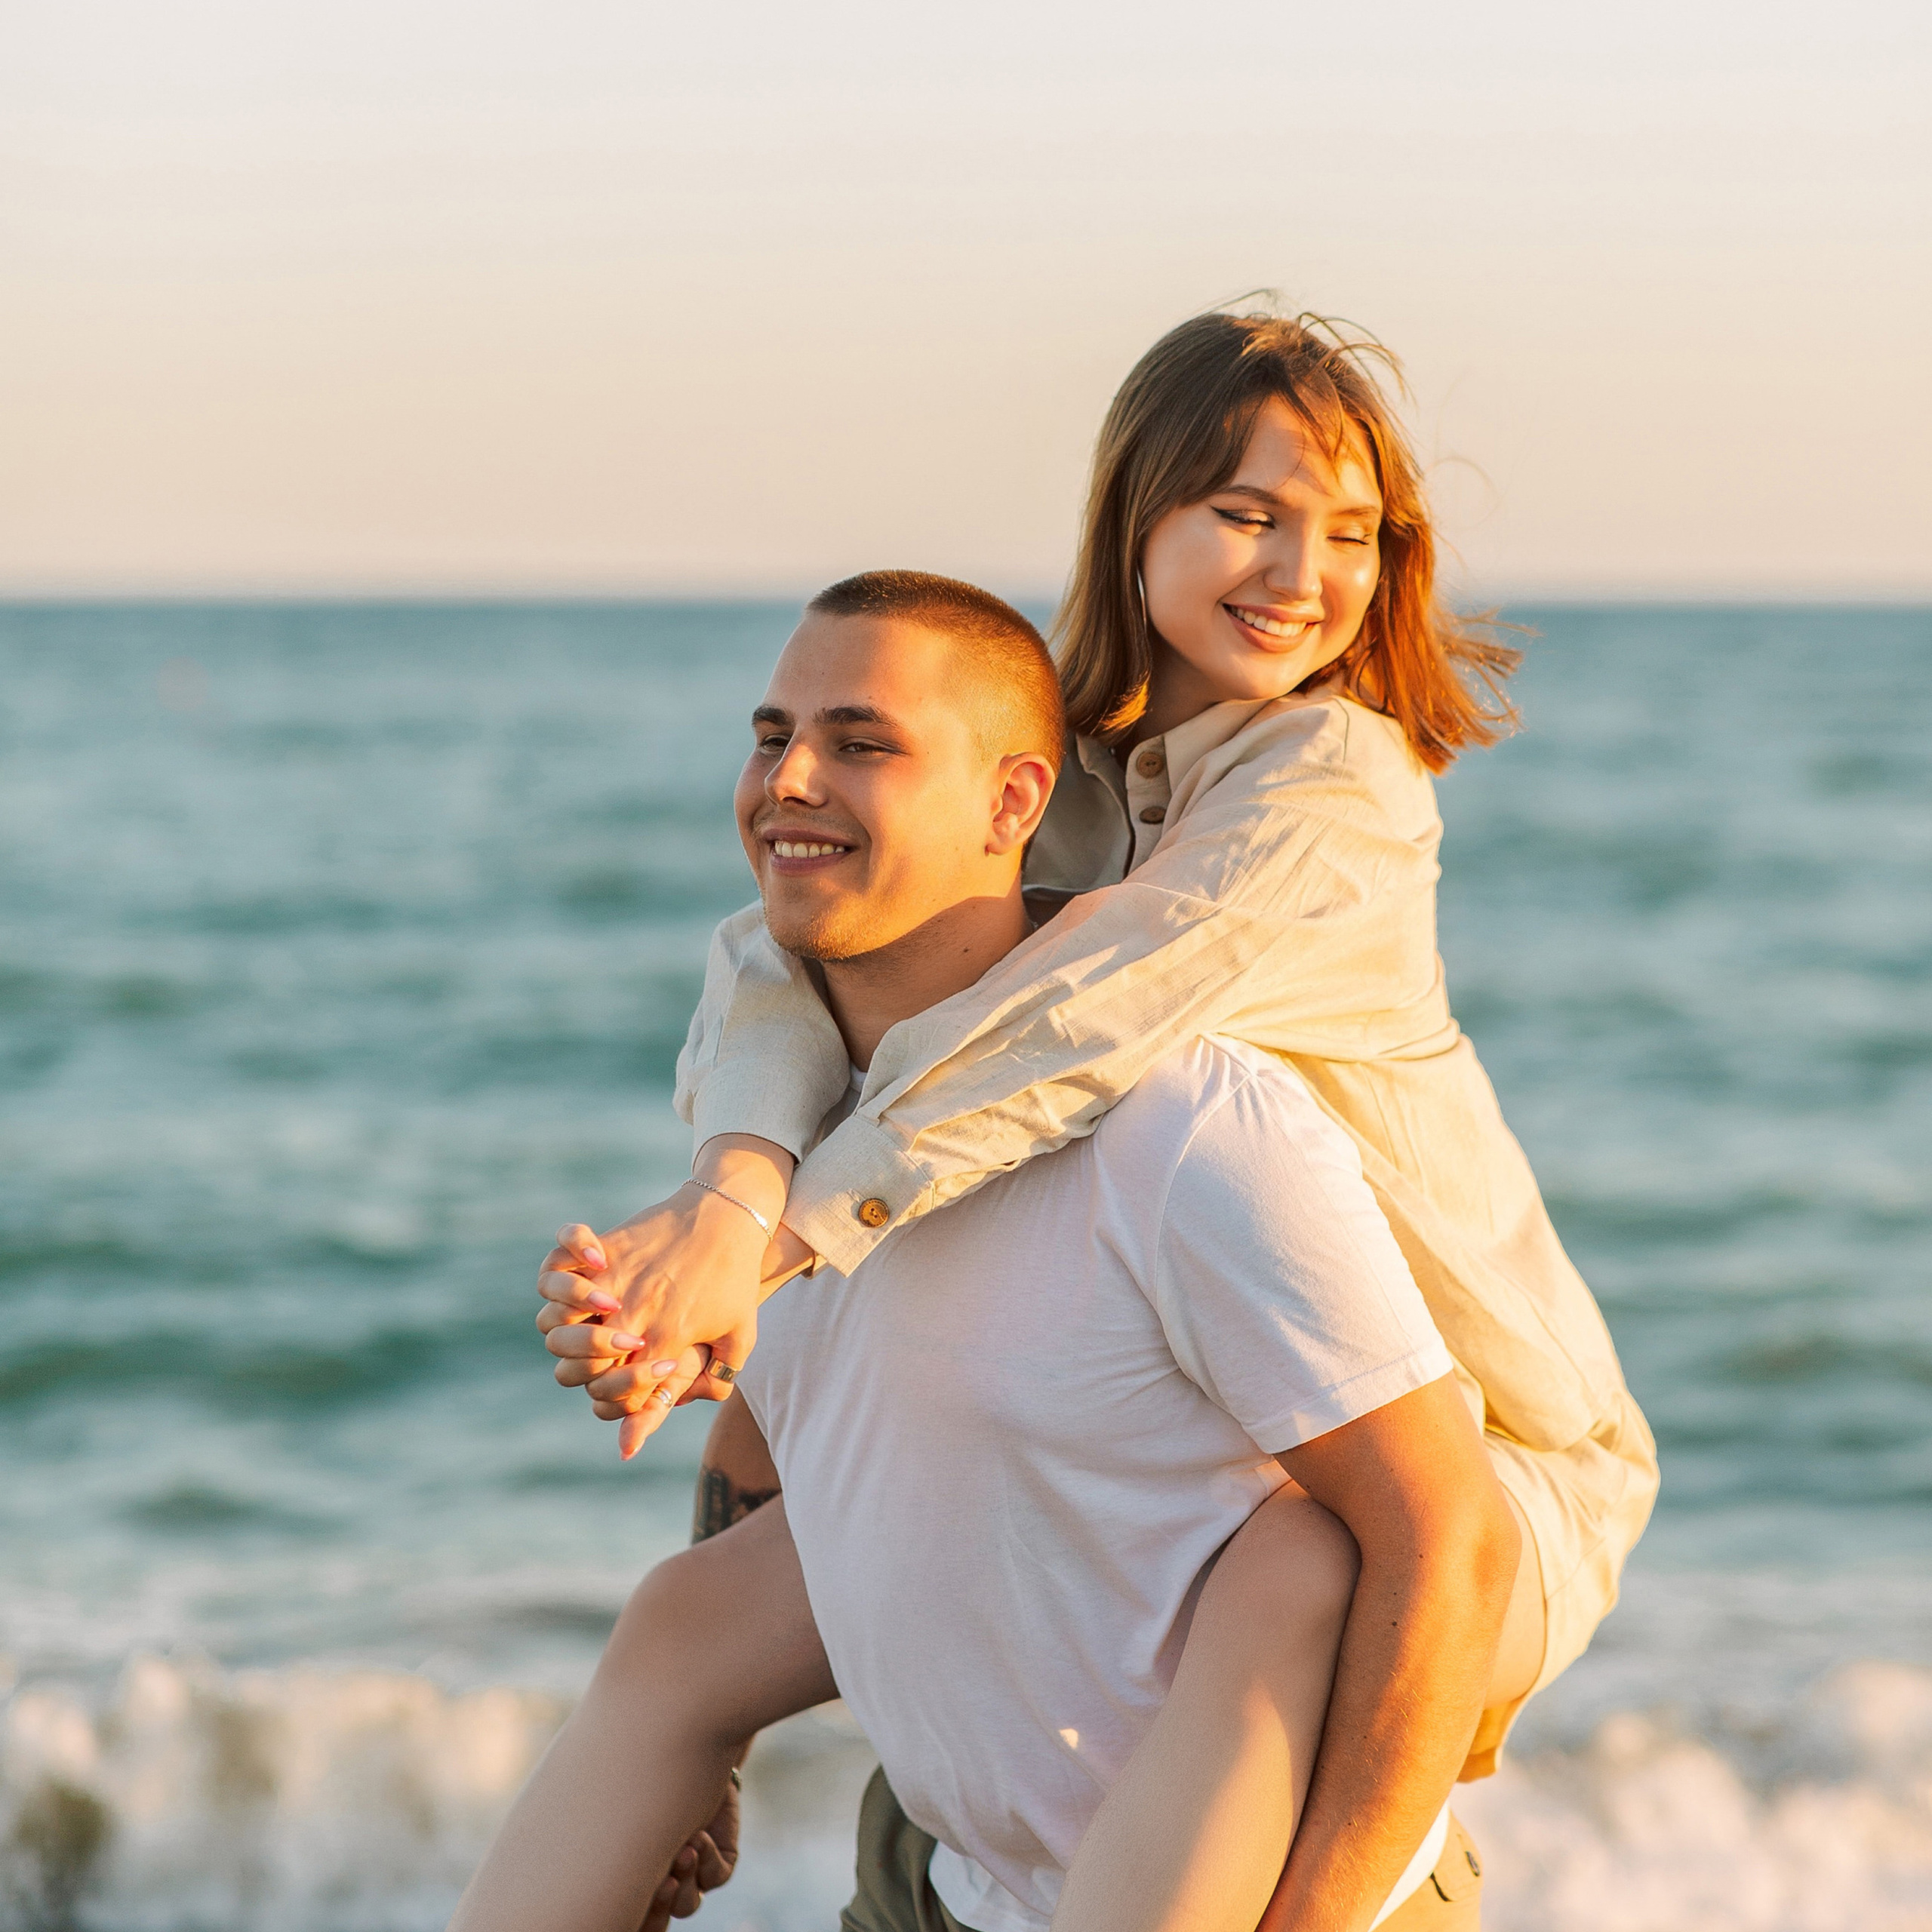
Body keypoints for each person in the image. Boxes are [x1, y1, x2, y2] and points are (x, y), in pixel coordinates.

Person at [537, 309, 1657, 1923]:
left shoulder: (1334, 787)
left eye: (1348, 533)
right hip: (1216, 1433)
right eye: (1247, 514)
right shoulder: (1060, 765)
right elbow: (766, 954)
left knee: (1281, 1562)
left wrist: (771, 1237)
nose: (1298, 572)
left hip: (1487, 1454)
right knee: (694, 1607)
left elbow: (1082, 1011)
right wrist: (727, 1202)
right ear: (1136, 516)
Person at [452, 575, 1520, 1932]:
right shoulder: (769, 1134)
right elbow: (782, 1442)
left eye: (861, 744)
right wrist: (708, 1748)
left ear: (1014, 804)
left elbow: (1451, 1537)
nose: (790, 779)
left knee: (1300, 1560)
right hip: (957, 1888)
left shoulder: (1183, 1130)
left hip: (1283, 1899)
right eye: (772, 734)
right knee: (676, 1621)